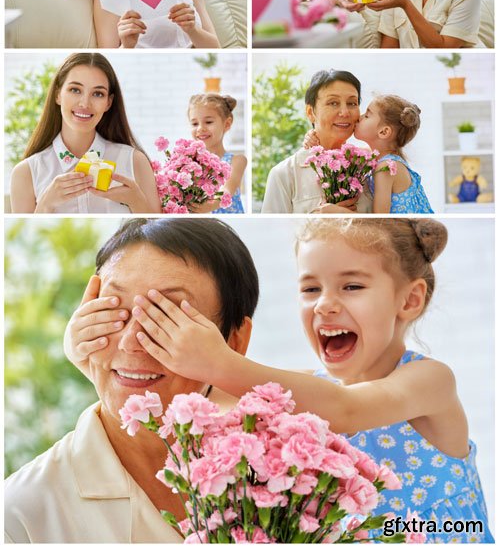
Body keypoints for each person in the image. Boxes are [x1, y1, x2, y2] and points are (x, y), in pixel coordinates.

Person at [110, 217, 493, 544]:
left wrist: (216, 360)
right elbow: (195, 394)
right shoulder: (310, 390)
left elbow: (347, 410)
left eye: (352, 286)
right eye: (311, 289)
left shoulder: (430, 381)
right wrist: (96, 359)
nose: (324, 304)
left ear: (409, 300)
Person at [4, 218, 259, 544]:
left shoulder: (283, 460)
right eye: (113, 312)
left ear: (235, 341)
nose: (129, 342)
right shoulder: (21, 514)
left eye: (164, 317)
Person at [9, 53, 160, 214]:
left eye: (98, 94)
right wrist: (45, 205)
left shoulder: (135, 161)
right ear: (58, 94)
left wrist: (136, 201)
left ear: (108, 102)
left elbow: (157, 235)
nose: (85, 103)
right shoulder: (26, 173)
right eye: (75, 90)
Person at [261, 70, 372, 214]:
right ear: (310, 112)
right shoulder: (284, 174)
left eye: (352, 103)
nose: (345, 112)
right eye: (333, 103)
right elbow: (274, 232)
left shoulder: (370, 167)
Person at [354, 96, 433, 213]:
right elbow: (349, 152)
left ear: (384, 132)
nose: (358, 118)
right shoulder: (386, 158)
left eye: (366, 115)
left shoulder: (386, 168)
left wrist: (340, 213)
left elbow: (380, 220)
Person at [187, 93, 246, 214]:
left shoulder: (237, 161)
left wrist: (211, 205)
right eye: (194, 124)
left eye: (208, 122)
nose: (200, 128)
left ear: (227, 124)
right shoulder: (189, 163)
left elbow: (227, 190)